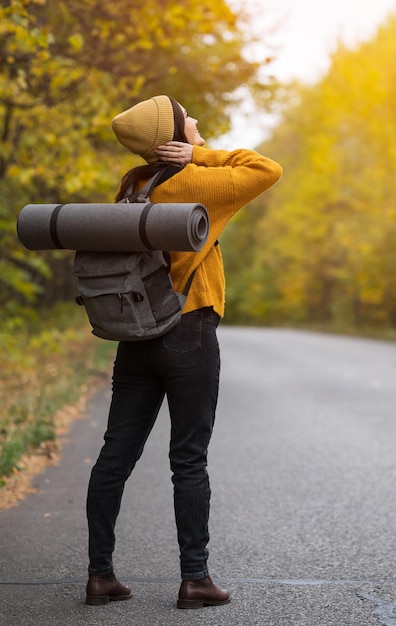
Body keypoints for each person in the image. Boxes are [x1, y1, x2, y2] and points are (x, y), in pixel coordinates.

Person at [85, 95, 282, 609]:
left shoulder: (132, 187)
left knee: (114, 456)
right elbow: (265, 168)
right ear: (170, 136)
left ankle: (100, 576)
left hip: (138, 333)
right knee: (188, 461)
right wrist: (198, 156)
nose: (197, 123)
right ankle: (195, 579)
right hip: (188, 332)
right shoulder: (196, 181)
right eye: (187, 119)